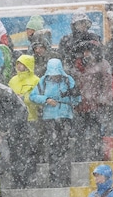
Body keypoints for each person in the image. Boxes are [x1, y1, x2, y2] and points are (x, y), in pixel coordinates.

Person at [29, 58, 80, 187]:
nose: (55, 77)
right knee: (52, 147)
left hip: (65, 116)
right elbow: (32, 96)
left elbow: (77, 98)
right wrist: (46, 99)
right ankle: (54, 177)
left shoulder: (68, 80)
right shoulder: (43, 81)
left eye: (56, 74)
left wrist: (70, 97)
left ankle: (64, 177)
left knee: (64, 147)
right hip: (49, 118)